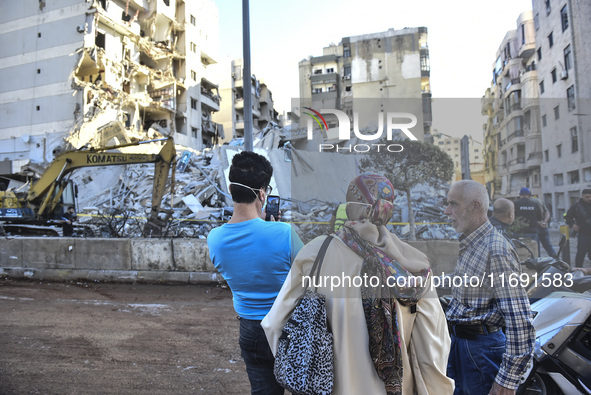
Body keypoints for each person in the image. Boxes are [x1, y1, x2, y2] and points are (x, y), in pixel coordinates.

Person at [263, 173, 454, 395]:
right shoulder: (416, 265)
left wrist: (300, 371)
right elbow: (432, 348)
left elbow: (274, 323)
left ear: (352, 207)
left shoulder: (316, 253)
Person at [207, 151, 304, 395]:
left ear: (230, 189)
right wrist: (270, 226)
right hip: (289, 325)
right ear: (262, 194)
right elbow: (311, 274)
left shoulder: (215, 239)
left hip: (251, 330)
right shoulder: (283, 233)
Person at [444, 180, 535, 395]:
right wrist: (423, 280)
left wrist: (507, 381)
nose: (447, 211)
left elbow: (519, 320)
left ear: (475, 206)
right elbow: (463, 282)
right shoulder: (472, 241)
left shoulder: (496, 249)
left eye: (453, 204)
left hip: (481, 351)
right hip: (462, 346)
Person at [514, 187, 557, 258]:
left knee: (527, 250)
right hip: (537, 228)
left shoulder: (516, 203)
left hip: (523, 231)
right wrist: (544, 221)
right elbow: (544, 213)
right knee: (545, 247)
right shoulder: (537, 202)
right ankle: (556, 261)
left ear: (520, 194)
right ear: (529, 194)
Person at [565, 189, 591, 268]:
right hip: (583, 233)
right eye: (587, 197)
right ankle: (578, 270)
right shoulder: (576, 206)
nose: (589, 199)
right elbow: (567, 217)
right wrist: (573, 225)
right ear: (582, 196)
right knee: (581, 253)